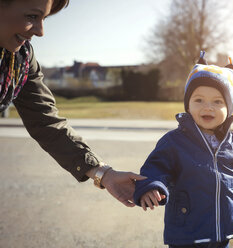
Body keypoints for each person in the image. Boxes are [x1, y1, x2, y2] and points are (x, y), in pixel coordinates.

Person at [0, 0, 145, 207]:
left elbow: (47, 122)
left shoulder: (21, 59)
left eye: (44, 18)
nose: (41, 31)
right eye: (32, 16)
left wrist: (104, 173)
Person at [134, 51, 233, 248]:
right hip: (186, 234)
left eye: (218, 101)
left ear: (229, 108)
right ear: (188, 105)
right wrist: (151, 187)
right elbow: (155, 167)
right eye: (199, 100)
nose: (208, 107)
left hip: (222, 233)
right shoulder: (174, 141)